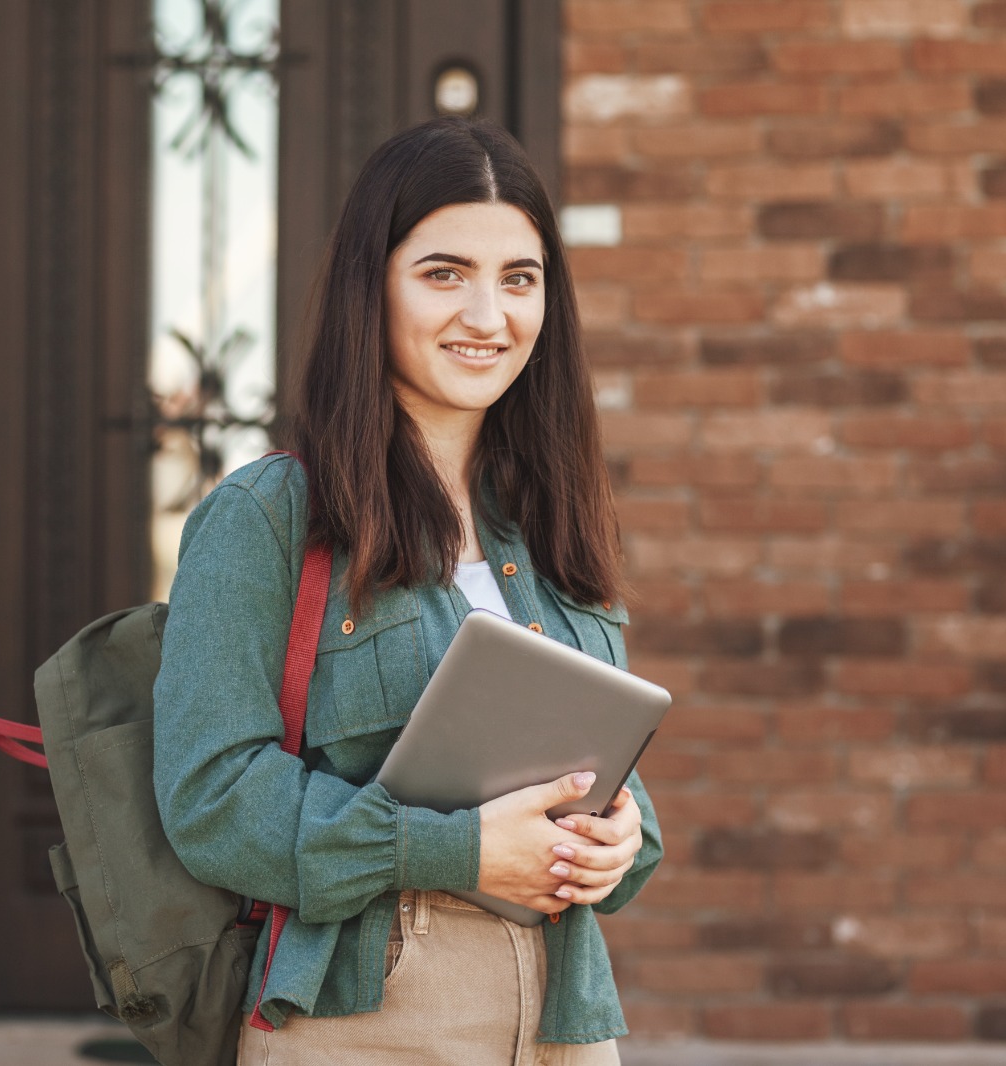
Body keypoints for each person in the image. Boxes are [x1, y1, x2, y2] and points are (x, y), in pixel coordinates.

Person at [152, 116, 663, 1066]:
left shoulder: (554, 522)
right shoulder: (270, 515)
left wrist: (622, 838)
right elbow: (211, 801)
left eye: (520, 279)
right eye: (443, 274)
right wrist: (455, 851)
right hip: (367, 1017)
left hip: (568, 1021)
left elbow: (613, 780)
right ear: (371, 286)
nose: (488, 315)